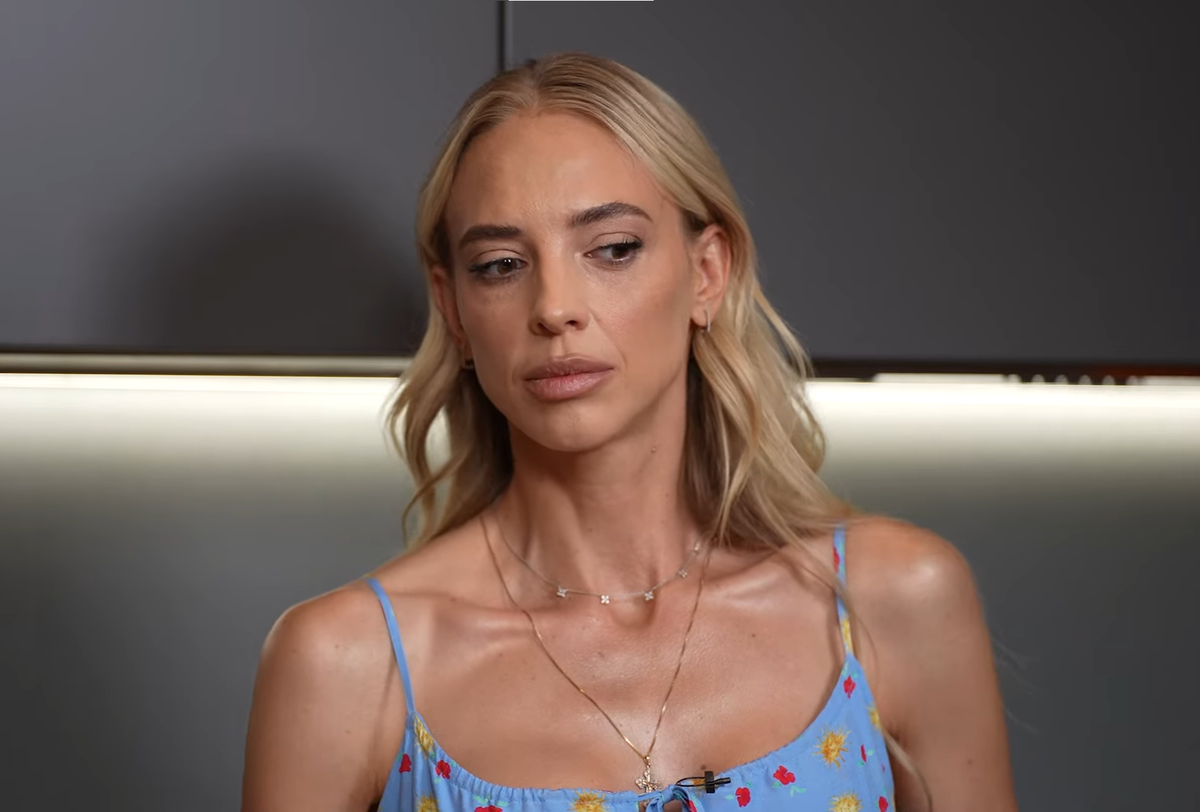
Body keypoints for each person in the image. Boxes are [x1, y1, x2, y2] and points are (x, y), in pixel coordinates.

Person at [241, 53, 1017, 812]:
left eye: (612, 249)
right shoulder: (346, 663)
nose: (555, 308)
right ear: (453, 311)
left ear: (707, 273)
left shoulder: (894, 603)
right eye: (501, 265)